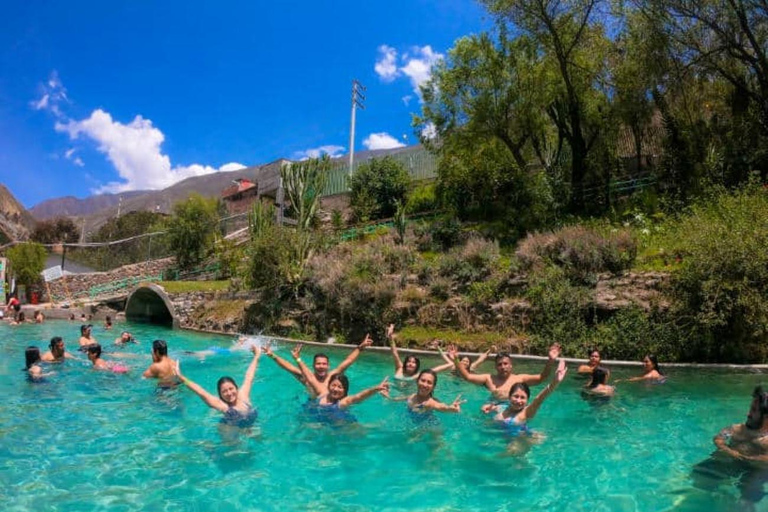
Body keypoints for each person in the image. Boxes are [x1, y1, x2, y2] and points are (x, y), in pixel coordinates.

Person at [692, 387, 768, 506]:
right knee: (699, 473)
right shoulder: (737, 429)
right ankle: (714, 498)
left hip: (756, 470)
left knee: (748, 498)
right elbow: (719, 438)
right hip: (732, 461)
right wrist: (727, 449)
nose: (748, 414)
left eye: (753, 410)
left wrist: (750, 459)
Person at [482, 360, 567, 451]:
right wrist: (487, 408)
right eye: (516, 396)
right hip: (503, 438)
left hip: (521, 441)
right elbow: (491, 408)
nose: (519, 401)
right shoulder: (502, 408)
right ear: (510, 397)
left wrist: (555, 382)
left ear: (527, 401)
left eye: (523, 398)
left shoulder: (526, 412)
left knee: (510, 451)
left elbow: (540, 398)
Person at [291, 344, 388, 421]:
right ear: (328, 386)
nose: (335, 389)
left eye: (340, 387)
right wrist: (297, 358)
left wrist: (375, 389)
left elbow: (359, 397)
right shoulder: (322, 393)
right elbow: (310, 377)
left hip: (340, 426)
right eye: (333, 385)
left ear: (345, 390)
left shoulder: (343, 402)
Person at [173, 346, 261, 427]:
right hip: (230, 429)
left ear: (236, 388)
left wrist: (256, 356)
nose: (229, 393)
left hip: (250, 427)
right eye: (224, 391)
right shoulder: (223, 406)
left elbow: (249, 376)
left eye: (231, 389)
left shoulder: (243, 396)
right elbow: (200, 391)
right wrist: (182, 378)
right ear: (220, 394)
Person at [263, 335, 373, 398]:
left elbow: (348, 361)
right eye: (318, 364)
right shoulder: (306, 377)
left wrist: (360, 347)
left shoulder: (334, 376)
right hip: (313, 407)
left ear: (328, 366)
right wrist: (272, 355)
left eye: (324, 364)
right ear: (313, 366)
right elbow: (287, 366)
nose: (321, 366)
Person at [448, 343, 561, 402]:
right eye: (499, 364)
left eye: (505, 364)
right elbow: (467, 376)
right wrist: (456, 360)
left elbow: (542, 377)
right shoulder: (489, 378)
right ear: (496, 367)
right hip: (492, 408)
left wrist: (551, 360)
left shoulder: (519, 379)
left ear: (511, 365)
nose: (503, 367)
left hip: (513, 409)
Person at [384, 369, 464, 416]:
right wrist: (387, 395)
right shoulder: (411, 396)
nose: (425, 385)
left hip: (428, 427)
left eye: (429, 382)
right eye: (423, 380)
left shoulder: (430, 402)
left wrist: (450, 408)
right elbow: (394, 400)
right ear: (417, 381)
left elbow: (440, 406)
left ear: (433, 387)